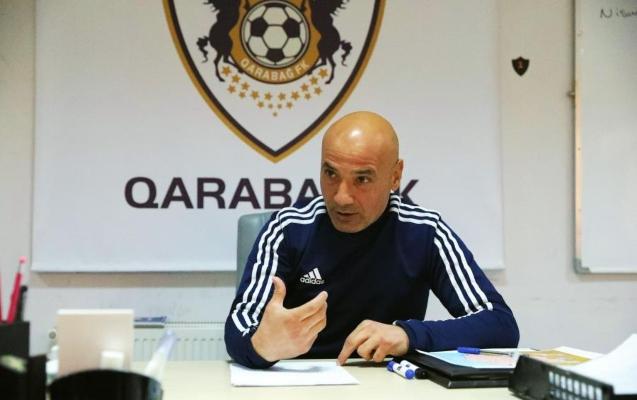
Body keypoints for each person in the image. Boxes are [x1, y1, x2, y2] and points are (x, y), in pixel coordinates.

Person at [225, 111, 519, 369]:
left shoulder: (425, 232)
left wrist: (408, 335)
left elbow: (500, 323)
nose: (341, 197)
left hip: (387, 383)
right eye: (330, 173)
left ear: (395, 176)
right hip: (299, 384)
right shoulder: (288, 228)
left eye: (362, 179)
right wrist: (261, 345)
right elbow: (238, 326)